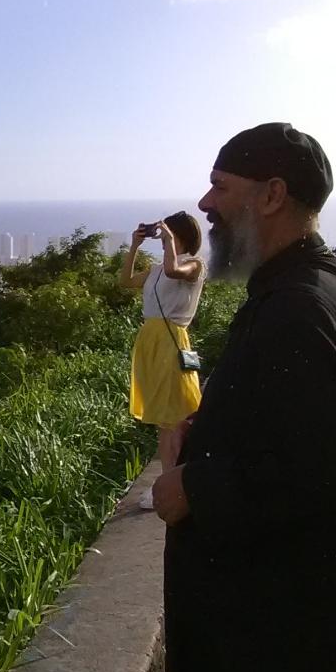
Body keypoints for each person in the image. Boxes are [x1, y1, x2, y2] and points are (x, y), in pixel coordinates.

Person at [151, 122, 336, 672]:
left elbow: (314, 472)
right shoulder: (317, 286)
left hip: (292, 645)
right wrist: (214, 427)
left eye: (220, 186)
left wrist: (190, 487)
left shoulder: (300, 306)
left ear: (272, 195)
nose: (205, 204)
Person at [119, 211, 206, 509]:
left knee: (172, 417)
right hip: (150, 341)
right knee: (164, 416)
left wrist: (168, 242)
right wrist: (134, 246)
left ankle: (171, 484)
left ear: (179, 233)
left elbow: (173, 271)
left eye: (168, 230)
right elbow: (126, 281)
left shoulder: (193, 265)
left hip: (172, 341)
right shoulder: (156, 269)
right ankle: (177, 479)